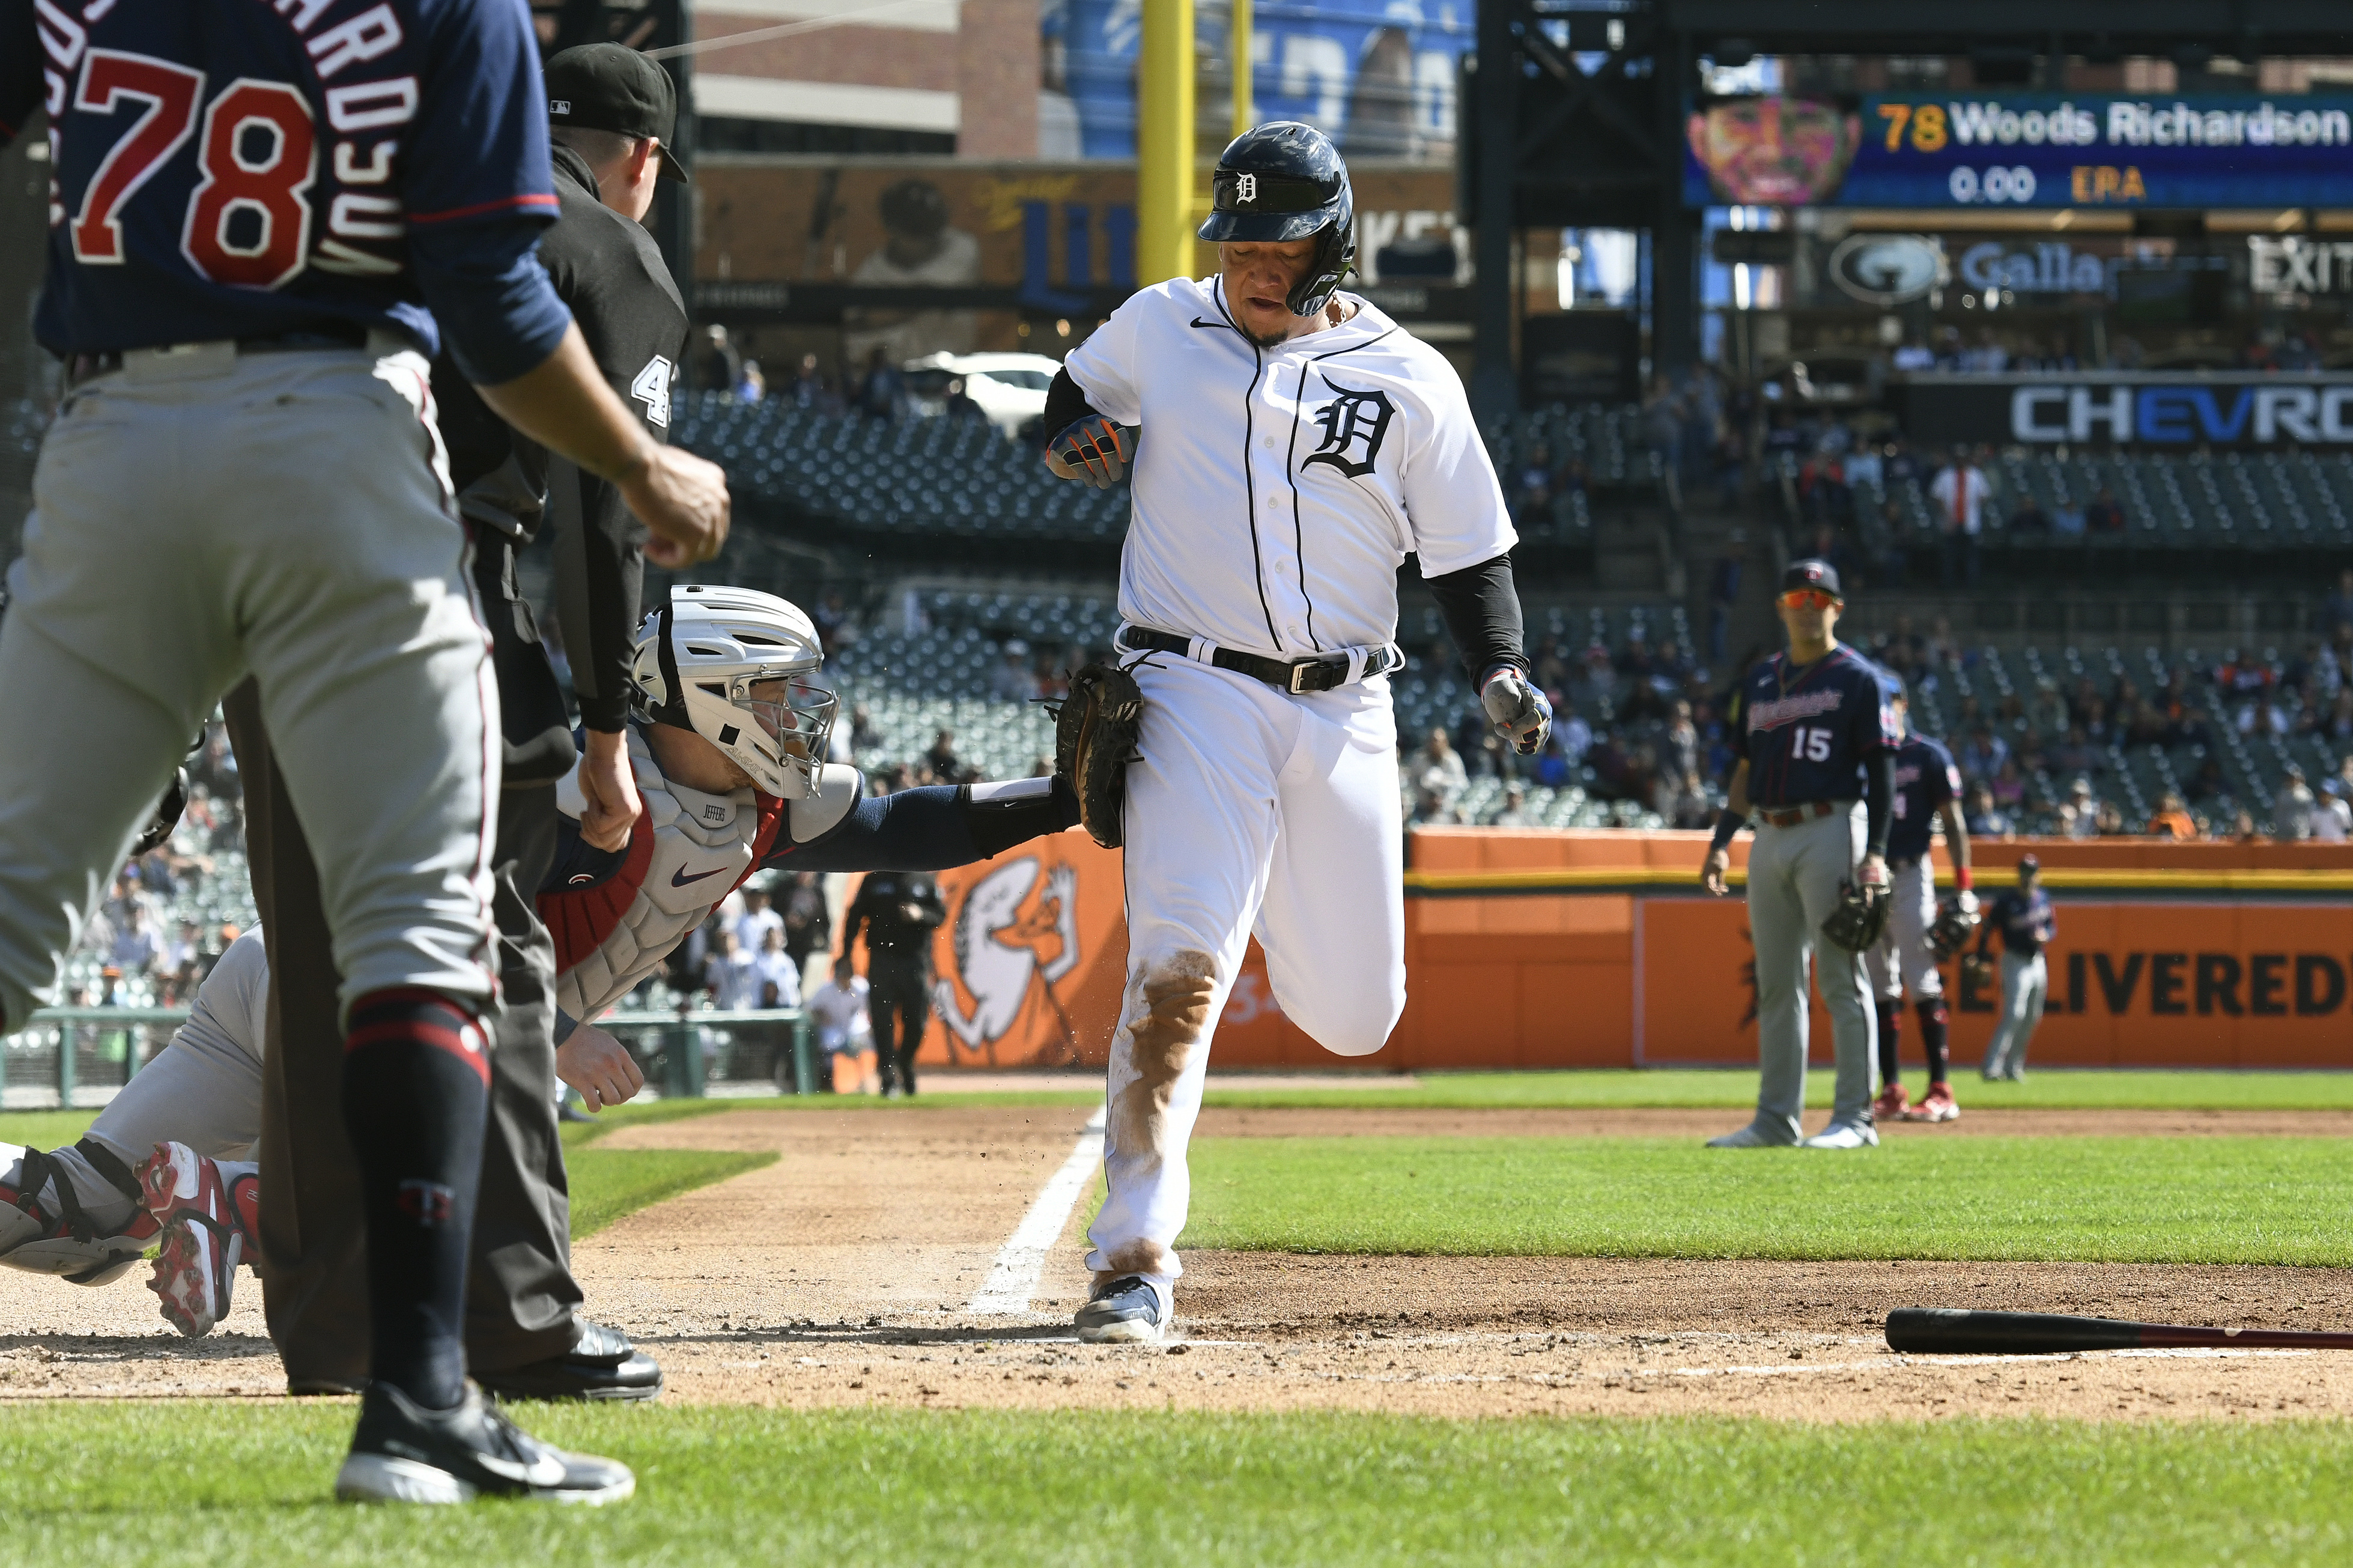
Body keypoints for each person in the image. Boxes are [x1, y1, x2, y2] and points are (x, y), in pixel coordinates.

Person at [1, 0, 731, 1506]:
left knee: (13, 905)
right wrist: (642, 462)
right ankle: (416, 1409)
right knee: (418, 920)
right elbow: (495, 306)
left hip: (110, 439)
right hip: (338, 433)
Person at [231, 43, 702, 1419]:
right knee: (483, 940)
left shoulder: (381, 203)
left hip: (266, 579)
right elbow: (607, 505)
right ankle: (514, 1320)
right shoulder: (604, 243)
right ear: (642, 159)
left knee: (323, 951)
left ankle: (331, 1334)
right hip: (432, 585)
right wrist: (610, 726)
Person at [1040, 121, 1546, 1343]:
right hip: (1188, 690)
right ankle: (1132, 1260)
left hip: (1343, 708)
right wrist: (1069, 440)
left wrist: (1499, 672)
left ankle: (1247, 881)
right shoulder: (1163, 323)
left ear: (1333, 239)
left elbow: (1468, 554)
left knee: (1357, 1013)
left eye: (1276, 241)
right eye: (1238, 238)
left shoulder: (1411, 374)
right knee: (1175, 972)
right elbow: (1068, 403)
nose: (1251, 263)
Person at [1700, 560, 1899, 1149]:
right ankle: (1774, 1119)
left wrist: (1877, 854)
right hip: (1768, 832)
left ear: (1836, 607)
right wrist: (1720, 842)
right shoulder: (1759, 680)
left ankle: (1854, 1120)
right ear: (1781, 606)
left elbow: (1881, 774)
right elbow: (1743, 768)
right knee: (1775, 983)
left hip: (1830, 825)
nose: (1807, 604)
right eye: (1796, 595)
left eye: (1819, 595)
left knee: (1839, 975)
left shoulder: (1858, 679)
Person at [1863, 674, 1973, 1125]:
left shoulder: (1928, 754)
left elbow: (1954, 823)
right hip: (1869, 877)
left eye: (1890, 700)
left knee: (1921, 975)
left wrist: (1963, 887)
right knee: (1879, 985)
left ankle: (1941, 1089)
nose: (1884, 708)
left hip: (1911, 872)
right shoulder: (1861, 758)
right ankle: (1891, 1089)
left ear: (1904, 703)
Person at [839, 869, 949, 1097]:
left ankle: (905, 1062)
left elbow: (940, 914)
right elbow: (855, 916)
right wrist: (846, 953)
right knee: (882, 1020)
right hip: (882, 959)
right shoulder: (874, 880)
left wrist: (921, 915)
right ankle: (888, 1075)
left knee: (917, 1022)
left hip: (915, 961)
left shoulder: (924, 880)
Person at [1976, 856, 2056, 1081]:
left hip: (2037, 961)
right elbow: (1987, 928)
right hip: (2014, 960)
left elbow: (2052, 926)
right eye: (2024, 871)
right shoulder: (2006, 901)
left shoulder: (2042, 898)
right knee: (2014, 1014)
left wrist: (2046, 935)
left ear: (2038, 875)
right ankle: (1991, 1066)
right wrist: (1981, 957)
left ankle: (2013, 1067)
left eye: (2032, 872)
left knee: (2032, 1016)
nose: (2028, 876)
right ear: (2018, 874)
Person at [806, 968, 876, 1091]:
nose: (844, 979)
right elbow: (811, 1007)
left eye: (847, 976)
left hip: (856, 1028)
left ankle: (869, 1083)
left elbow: (875, 1008)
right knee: (826, 1046)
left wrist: (873, 1026)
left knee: (875, 1043)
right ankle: (827, 1084)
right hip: (834, 1028)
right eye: (842, 975)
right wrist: (821, 1016)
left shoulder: (862, 987)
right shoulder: (826, 989)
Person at [1928, 447, 1988, 588]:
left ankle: (1972, 586)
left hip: (1970, 522)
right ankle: (1948, 586)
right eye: (1958, 458)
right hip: (1950, 523)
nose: (1960, 460)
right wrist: (1948, 516)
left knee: (1971, 556)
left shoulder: (1975, 475)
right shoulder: (1945, 475)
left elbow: (1984, 494)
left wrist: (1972, 506)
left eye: (1963, 458)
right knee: (1950, 556)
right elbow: (1937, 496)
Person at [750, 926, 802, 1011]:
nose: (773, 940)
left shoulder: (787, 961)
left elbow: (792, 984)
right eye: (770, 937)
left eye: (776, 937)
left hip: (784, 1004)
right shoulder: (758, 961)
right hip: (762, 1006)